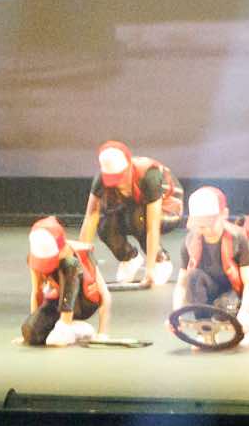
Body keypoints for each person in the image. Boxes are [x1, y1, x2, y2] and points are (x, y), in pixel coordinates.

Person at [72, 140, 180, 286]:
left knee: (137, 219)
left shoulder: (149, 176)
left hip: (168, 208)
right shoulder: (101, 179)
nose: (118, 183)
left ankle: (160, 260)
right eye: (112, 179)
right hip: (135, 207)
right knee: (104, 225)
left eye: (120, 176)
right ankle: (129, 258)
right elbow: (91, 217)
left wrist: (150, 270)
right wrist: (79, 265)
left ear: (129, 165)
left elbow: (152, 227)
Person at [172, 186, 249, 348]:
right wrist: (176, 315)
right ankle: (203, 328)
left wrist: (245, 312)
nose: (206, 229)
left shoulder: (238, 238)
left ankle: (242, 325)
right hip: (207, 290)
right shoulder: (189, 242)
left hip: (232, 292)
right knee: (193, 277)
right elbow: (181, 285)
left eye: (210, 223)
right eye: (201, 225)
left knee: (227, 305)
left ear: (224, 214)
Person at [17, 215, 110, 346]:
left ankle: (70, 327)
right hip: (56, 302)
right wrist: (34, 321)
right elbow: (36, 292)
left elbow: (105, 295)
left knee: (55, 340)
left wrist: (102, 333)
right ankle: (68, 326)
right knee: (30, 332)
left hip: (82, 303)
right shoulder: (36, 258)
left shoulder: (78, 256)